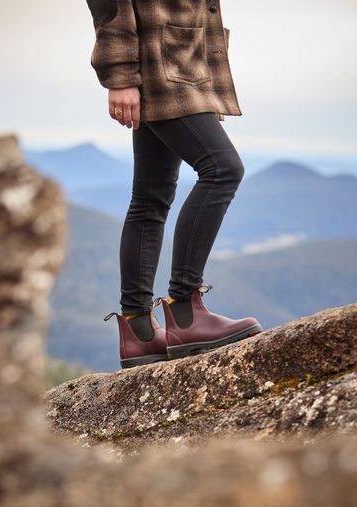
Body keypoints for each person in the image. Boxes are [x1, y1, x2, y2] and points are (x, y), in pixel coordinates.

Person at [85, 0, 262, 369]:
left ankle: (140, 332)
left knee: (151, 196)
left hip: (182, 63)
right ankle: (186, 313)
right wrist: (120, 75)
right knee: (223, 170)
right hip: (161, 65)